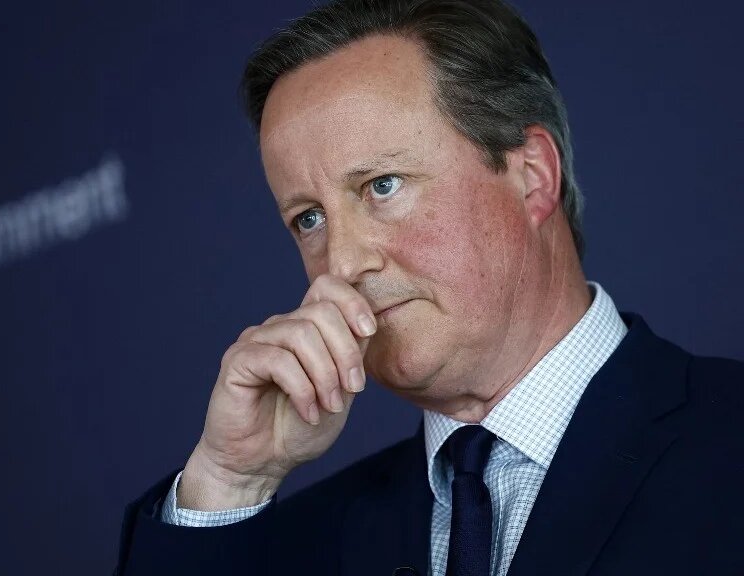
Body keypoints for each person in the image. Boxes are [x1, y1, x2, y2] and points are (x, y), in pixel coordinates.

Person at [114, 0, 744, 574]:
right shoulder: (290, 546)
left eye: (382, 186)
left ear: (532, 175)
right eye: (309, 219)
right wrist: (230, 482)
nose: (343, 263)